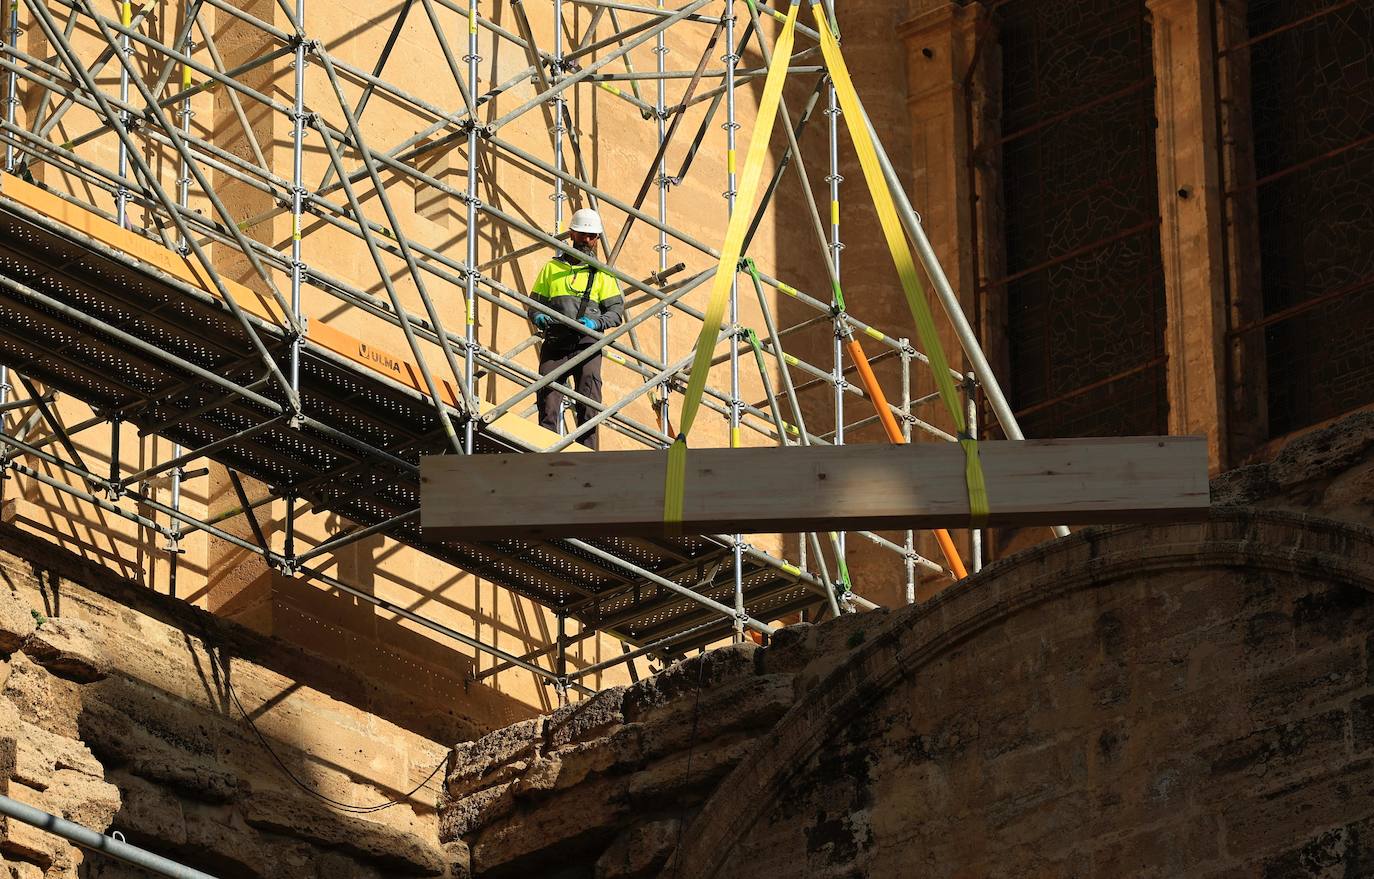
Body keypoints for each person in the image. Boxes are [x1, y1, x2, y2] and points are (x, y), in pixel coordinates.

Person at [527, 207, 625, 450]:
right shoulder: (552, 268)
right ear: (572, 233)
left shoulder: (603, 274)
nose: (588, 241)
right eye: (583, 235)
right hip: (557, 341)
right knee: (548, 395)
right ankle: (545, 449)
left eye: (592, 237)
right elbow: (534, 304)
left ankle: (586, 454)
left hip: (587, 343)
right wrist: (538, 316)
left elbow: (616, 312)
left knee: (588, 398)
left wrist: (595, 323)